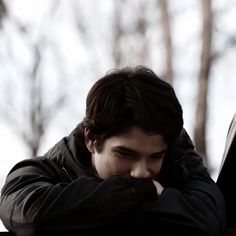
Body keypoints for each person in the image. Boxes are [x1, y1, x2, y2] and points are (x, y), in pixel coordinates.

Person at [0, 66, 225, 236]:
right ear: (90, 139)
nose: (141, 173)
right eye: (126, 154)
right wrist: (140, 195)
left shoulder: (179, 156)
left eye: (155, 156)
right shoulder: (49, 169)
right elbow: (24, 212)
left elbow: (209, 219)